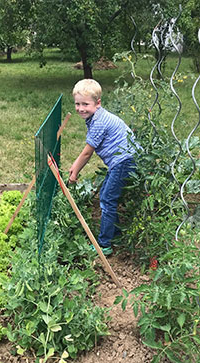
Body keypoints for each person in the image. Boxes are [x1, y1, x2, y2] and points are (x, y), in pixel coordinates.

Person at [68, 79, 139, 256]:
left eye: (85, 104)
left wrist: (75, 171)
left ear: (97, 103)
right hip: (123, 160)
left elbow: (87, 153)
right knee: (107, 196)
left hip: (124, 161)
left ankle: (104, 244)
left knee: (107, 199)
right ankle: (114, 233)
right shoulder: (97, 117)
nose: (80, 108)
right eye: (77, 104)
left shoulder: (99, 121)